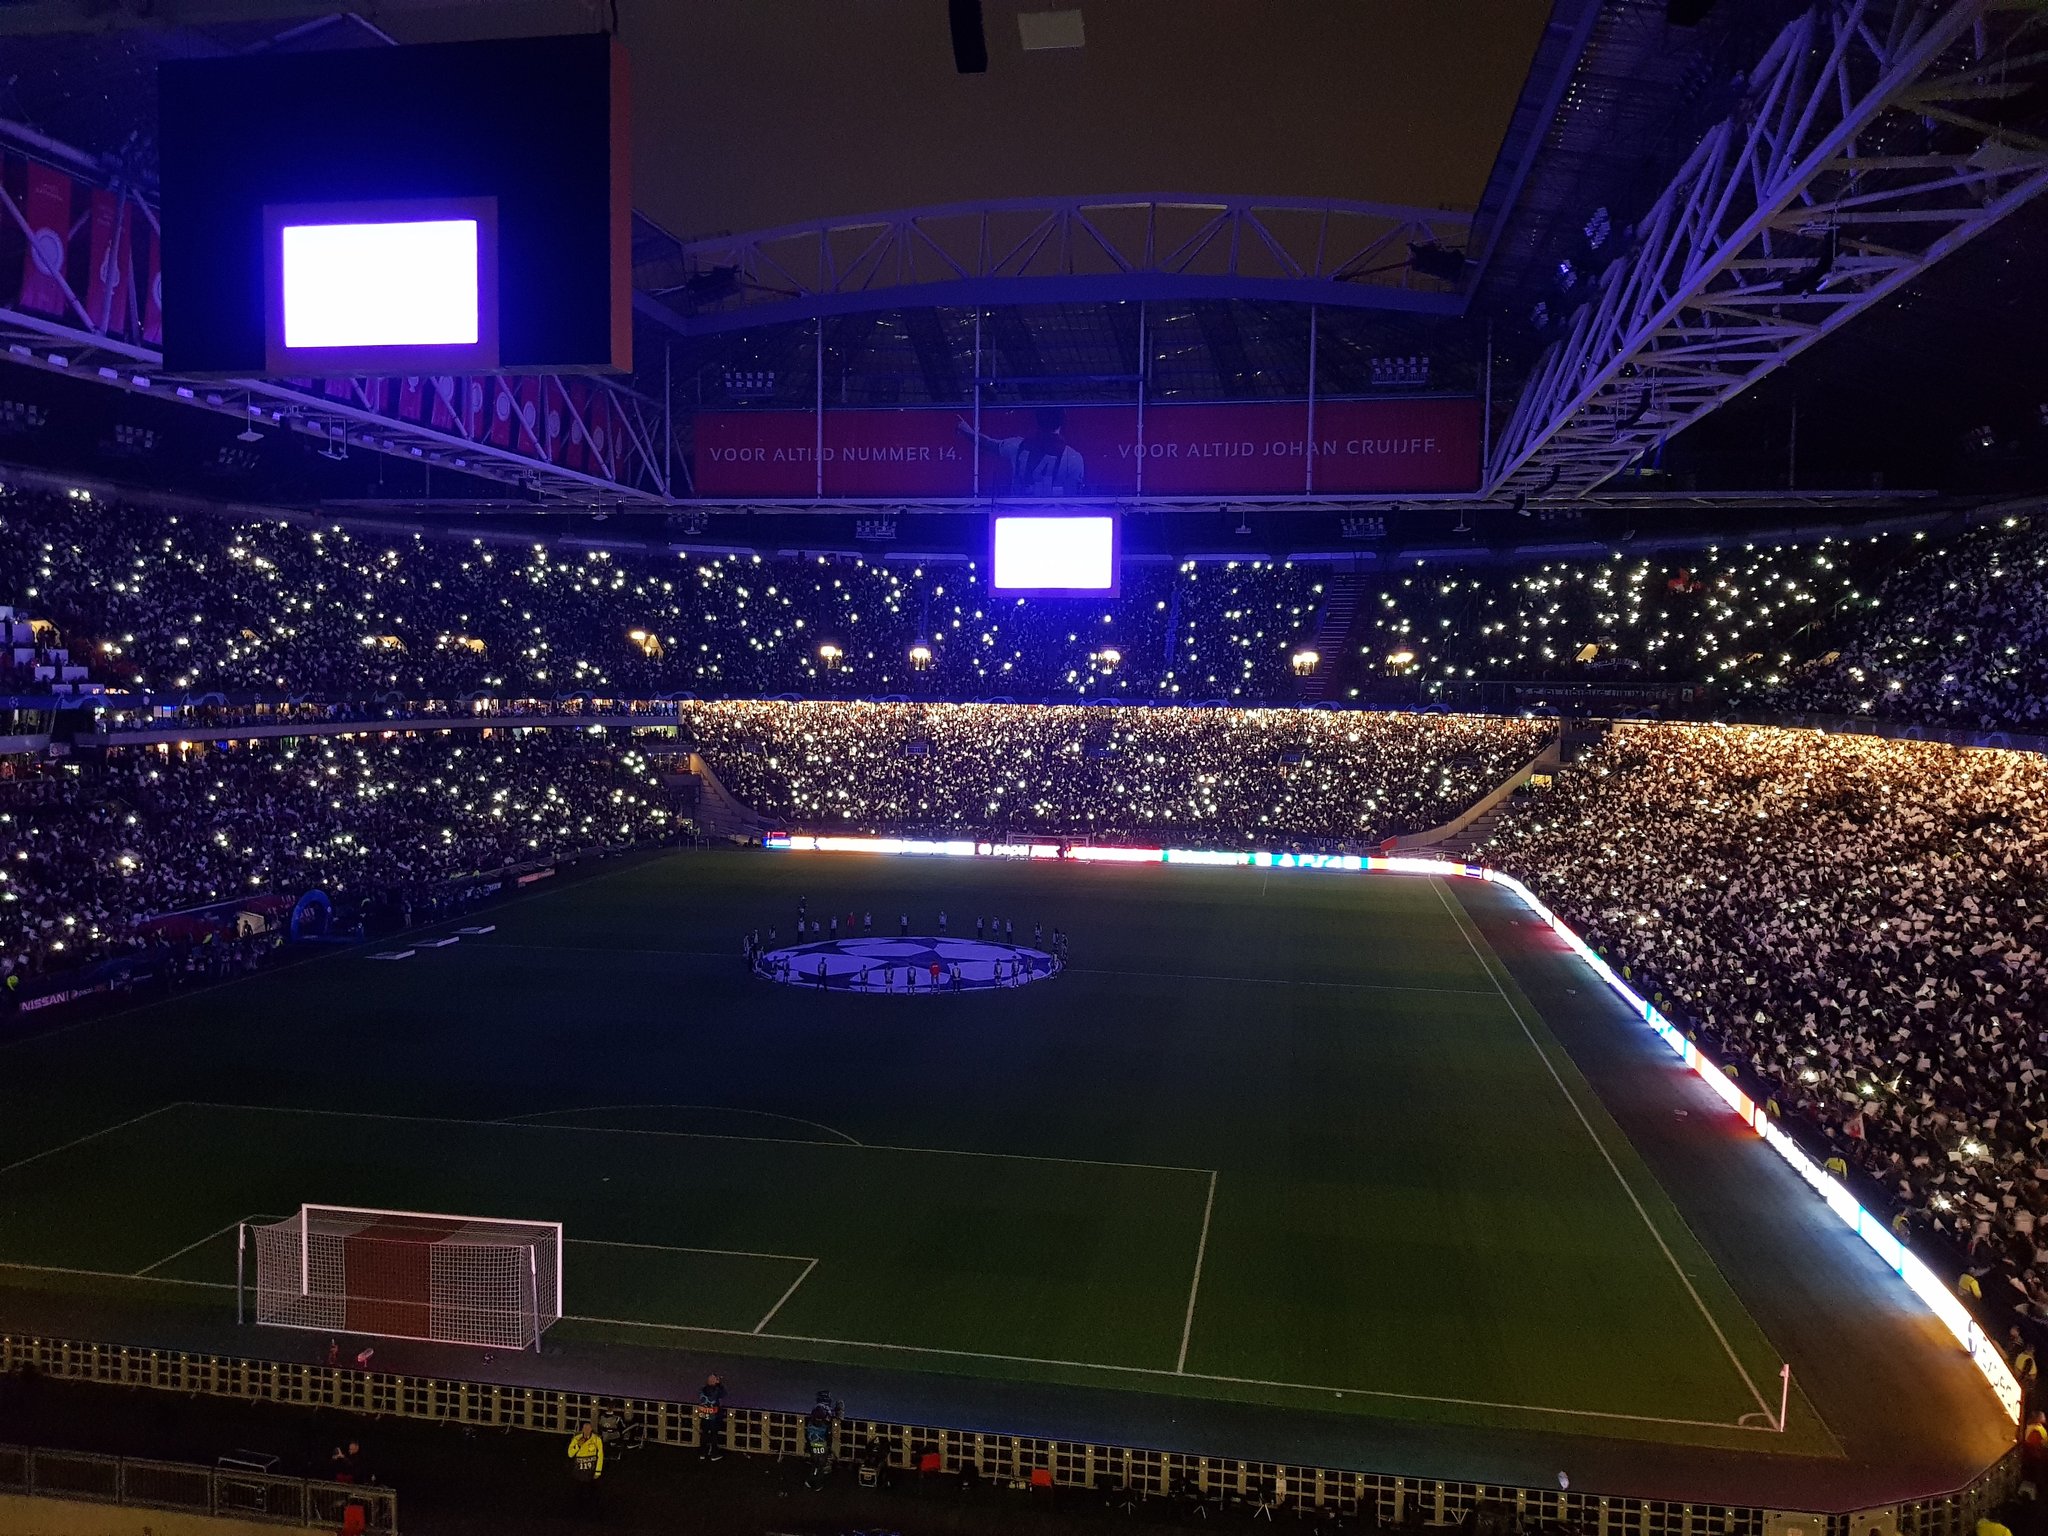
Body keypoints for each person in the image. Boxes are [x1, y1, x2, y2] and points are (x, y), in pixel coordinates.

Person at [566, 1420, 604, 1506]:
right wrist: (578, 1446)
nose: (586, 1430)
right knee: (578, 1491)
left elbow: (600, 1455)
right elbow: (570, 1454)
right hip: (579, 1471)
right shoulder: (576, 1438)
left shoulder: (596, 1439)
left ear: (591, 1429)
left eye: (588, 1428)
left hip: (591, 1471)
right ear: (582, 1429)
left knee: (592, 1492)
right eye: (585, 1428)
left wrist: (598, 1471)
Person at [695, 1373, 728, 1461]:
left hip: (704, 1415)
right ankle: (714, 1454)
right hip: (714, 1416)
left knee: (704, 1434)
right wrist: (719, 1384)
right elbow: (724, 1393)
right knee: (714, 1435)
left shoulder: (703, 1389)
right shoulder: (716, 1389)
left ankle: (702, 1453)